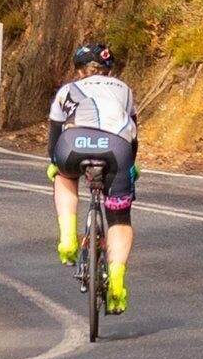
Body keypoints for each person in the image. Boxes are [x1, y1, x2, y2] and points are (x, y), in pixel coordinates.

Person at [47, 39, 139, 312]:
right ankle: (117, 282)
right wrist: (129, 168)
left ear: (79, 71)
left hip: (73, 145)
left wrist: (56, 164)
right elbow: (133, 138)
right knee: (120, 218)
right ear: (109, 70)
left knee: (63, 175)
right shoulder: (125, 89)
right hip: (116, 149)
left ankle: (67, 239)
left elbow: (53, 144)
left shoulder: (66, 90)